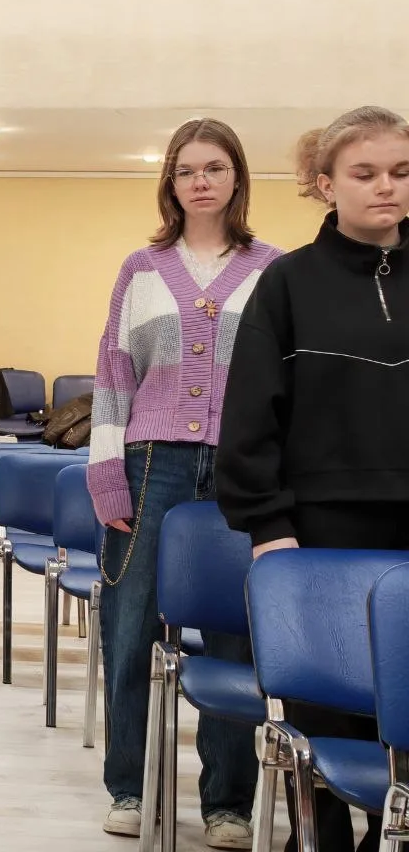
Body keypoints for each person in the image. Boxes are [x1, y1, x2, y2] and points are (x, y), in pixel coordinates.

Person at [217, 105, 409, 852]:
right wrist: (269, 527)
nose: (386, 187)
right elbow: (249, 419)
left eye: (400, 172)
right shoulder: (287, 283)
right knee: (325, 725)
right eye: (365, 173)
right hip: (321, 531)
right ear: (326, 184)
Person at [87, 118, 280, 848]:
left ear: (237, 177)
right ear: (170, 182)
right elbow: (114, 374)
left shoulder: (272, 269)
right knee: (130, 625)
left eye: (215, 168)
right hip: (151, 464)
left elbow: (287, 385)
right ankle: (129, 788)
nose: (201, 181)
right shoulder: (141, 269)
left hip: (242, 468)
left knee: (237, 634)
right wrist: (107, 476)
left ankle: (229, 803)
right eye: (187, 170)